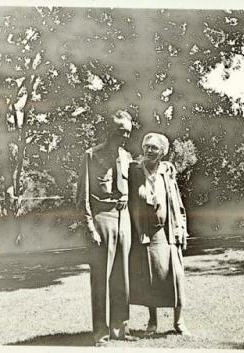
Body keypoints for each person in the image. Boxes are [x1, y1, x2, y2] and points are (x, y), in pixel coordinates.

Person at [76, 109, 138, 346]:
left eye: (128, 133)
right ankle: (100, 332)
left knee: (122, 277)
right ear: (109, 131)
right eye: (121, 131)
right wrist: (89, 226)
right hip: (102, 219)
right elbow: (82, 195)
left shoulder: (127, 156)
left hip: (124, 220)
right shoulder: (91, 156)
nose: (125, 136)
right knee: (101, 279)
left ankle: (120, 329)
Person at [128, 132, 191, 336]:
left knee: (177, 276)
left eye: (154, 147)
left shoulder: (167, 172)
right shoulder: (135, 171)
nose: (149, 150)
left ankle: (179, 322)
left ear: (163, 152)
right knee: (150, 277)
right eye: (146, 146)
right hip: (147, 232)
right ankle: (152, 322)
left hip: (168, 231)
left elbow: (177, 202)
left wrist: (181, 227)